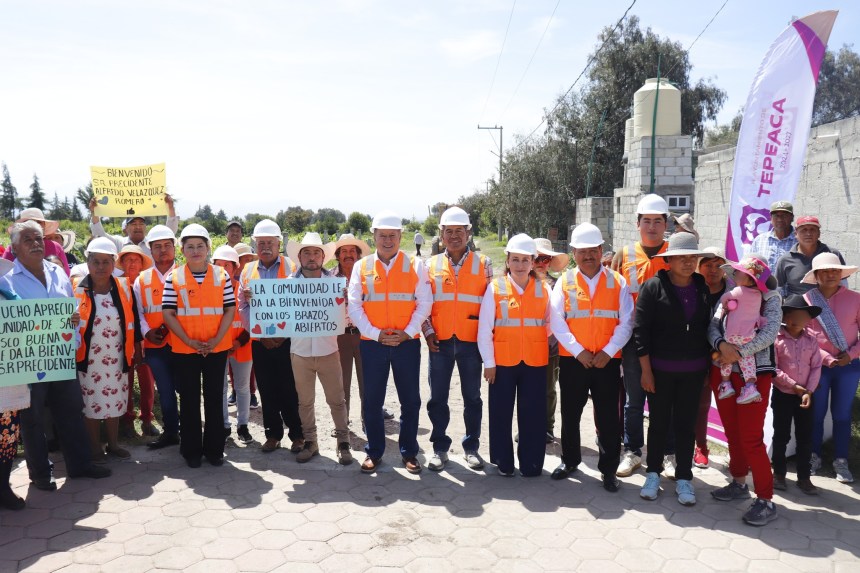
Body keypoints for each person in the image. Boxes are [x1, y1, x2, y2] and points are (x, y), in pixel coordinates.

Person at [0, 221, 111, 490]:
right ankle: (40, 473)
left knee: (71, 410)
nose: (36, 243)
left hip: (61, 356)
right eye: (28, 239)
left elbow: (68, 309)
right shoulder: (5, 280)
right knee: (33, 417)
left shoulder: (58, 272)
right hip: (28, 360)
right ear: (15, 247)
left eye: (38, 238)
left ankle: (80, 465)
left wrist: (72, 323)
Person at [347, 210, 432, 474]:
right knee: (372, 400)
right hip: (373, 344)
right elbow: (354, 304)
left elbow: (425, 302)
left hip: (407, 343)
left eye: (392, 236)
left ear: (400, 237)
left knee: (411, 400)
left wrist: (407, 332)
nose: (387, 240)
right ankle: (374, 451)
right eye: (382, 235)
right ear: (373, 236)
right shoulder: (362, 267)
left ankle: (409, 453)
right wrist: (375, 333)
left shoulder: (415, 265)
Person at [549, 224, 633, 491]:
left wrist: (608, 352)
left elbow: (627, 321)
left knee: (608, 417)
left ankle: (608, 470)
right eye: (582, 251)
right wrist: (579, 351)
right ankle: (570, 460)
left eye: (593, 250)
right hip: (575, 360)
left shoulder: (617, 282)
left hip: (607, 361)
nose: (588, 256)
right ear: (574, 252)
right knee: (570, 414)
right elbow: (557, 321)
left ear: (601, 250)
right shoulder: (564, 281)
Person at [635, 233, 714, 505]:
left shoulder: (702, 286)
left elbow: (706, 327)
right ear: (668, 260)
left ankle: (684, 477)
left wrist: (707, 368)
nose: (687, 262)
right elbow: (640, 333)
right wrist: (645, 371)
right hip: (659, 371)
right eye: (681, 257)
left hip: (694, 370)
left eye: (692, 257)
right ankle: (653, 473)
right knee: (658, 424)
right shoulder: (653, 287)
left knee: (685, 425)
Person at [709, 254, 781, 527]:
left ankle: (765, 498)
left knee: (751, 436)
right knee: (732, 430)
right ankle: (739, 482)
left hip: (754, 375)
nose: (736, 277)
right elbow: (713, 325)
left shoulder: (772, 298)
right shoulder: (730, 295)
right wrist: (720, 345)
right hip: (725, 371)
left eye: (743, 273)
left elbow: (770, 332)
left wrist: (736, 353)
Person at [424, 207, 492, 471]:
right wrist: (428, 331)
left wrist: (485, 342)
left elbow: (489, 307)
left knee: (472, 397)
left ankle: (471, 447)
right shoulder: (429, 265)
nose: (454, 237)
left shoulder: (483, 264)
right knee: (437, 398)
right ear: (441, 234)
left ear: (468, 233)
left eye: (459, 232)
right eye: (449, 232)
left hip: (470, 342)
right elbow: (423, 304)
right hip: (439, 341)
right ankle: (439, 448)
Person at [162, 224, 235, 468]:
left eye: (200, 246)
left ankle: (214, 450)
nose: (195, 251)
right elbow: (169, 313)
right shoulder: (173, 277)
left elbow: (229, 309)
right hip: (185, 349)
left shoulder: (221, 275)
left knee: (215, 397)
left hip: (216, 347)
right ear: (182, 250)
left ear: (208, 248)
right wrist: (189, 341)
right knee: (190, 399)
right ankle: (191, 450)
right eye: (190, 247)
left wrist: (215, 340)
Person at [478, 234, 551, 477]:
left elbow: (551, 324)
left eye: (525, 260)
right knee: (500, 413)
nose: (520, 265)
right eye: (515, 259)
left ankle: (531, 463)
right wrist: (489, 363)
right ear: (507, 261)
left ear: (533, 262)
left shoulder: (544, 289)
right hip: (502, 363)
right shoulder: (495, 288)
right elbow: (484, 329)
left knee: (533, 414)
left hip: (535, 362)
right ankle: (503, 461)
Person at [611, 194, 671, 477]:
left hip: (668, 340)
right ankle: (633, 451)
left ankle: (668, 453)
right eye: (646, 221)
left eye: (657, 221)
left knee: (666, 400)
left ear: (665, 224)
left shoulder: (675, 253)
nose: (651, 226)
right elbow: (612, 295)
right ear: (637, 224)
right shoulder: (624, 255)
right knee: (634, 400)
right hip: (634, 340)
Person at [238, 219, 303, 454]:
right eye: (261, 242)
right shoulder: (247, 271)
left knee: (290, 388)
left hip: (289, 342)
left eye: (270, 242)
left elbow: (301, 305)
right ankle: (273, 434)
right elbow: (242, 308)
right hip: (260, 342)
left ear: (279, 244)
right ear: (255, 245)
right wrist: (260, 334)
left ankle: (297, 435)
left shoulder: (294, 268)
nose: (265, 246)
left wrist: (283, 335)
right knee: (266, 389)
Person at [286, 233, 352, 465]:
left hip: (328, 351)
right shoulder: (287, 286)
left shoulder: (337, 286)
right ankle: (310, 442)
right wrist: (256, 299)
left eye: (316, 252)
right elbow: (273, 314)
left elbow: (346, 319)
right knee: (305, 402)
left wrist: (347, 301)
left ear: (323, 257)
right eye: (307, 252)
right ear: (300, 257)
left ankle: (343, 442)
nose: (312, 257)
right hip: (300, 353)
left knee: (337, 400)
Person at [74, 238, 141, 462]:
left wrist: (138, 349)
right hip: (89, 358)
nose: (100, 267)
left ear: (114, 264)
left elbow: (134, 321)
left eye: (106, 262)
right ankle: (95, 448)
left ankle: (113, 445)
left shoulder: (124, 287)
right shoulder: (76, 289)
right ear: (88, 263)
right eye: (95, 262)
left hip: (116, 356)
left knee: (114, 403)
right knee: (91, 405)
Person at [802, 252, 860, 484]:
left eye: (835, 270)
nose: (830, 275)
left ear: (841, 273)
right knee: (815, 414)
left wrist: (852, 354)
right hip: (818, 366)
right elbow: (806, 334)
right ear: (816, 276)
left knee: (842, 414)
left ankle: (841, 460)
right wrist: (826, 357)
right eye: (824, 271)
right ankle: (814, 456)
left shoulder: (855, 299)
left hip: (849, 366)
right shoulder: (807, 299)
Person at [134, 225, 182, 450]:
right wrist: (146, 332)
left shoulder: (187, 274)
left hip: (184, 345)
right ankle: (171, 432)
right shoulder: (141, 280)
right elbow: (139, 312)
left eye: (167, 246)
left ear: (175, 248)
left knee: (187, 389)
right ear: (150, 250)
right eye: (157, 247)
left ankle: (189, 431)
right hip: (156, 346)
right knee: (165, 391)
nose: (163, 250)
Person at [772, 295, 823, 495]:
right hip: (783, 394)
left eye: (801, 316)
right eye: (791, 315)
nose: (795, 319)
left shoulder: (812, 341)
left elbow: (817, 366)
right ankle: (779, 474)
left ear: (808, 319)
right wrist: (794, 386)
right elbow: (774, 369)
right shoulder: (776, 339)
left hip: (806, 396)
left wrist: (808, 391)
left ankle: (804, 477)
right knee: (781, 435)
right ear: (784, 316)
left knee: (805, 437)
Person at [715, 257, 772, 404]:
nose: (735, 274)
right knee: (747, 359)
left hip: (732, 334)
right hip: (749, 335)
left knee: (726, 357)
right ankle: (750, 386)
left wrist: (726, 304)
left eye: (739, 272)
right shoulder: (758, 294)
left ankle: (725, 383)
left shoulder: (738, 290)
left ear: (750, 279)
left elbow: (724, 298)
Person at [212, 245, 253, 445]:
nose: (222, 269)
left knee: (243, 387)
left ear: (235, 267)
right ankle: (224, 426)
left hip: (242, 345)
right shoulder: (210, 292)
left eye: (226, 265)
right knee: (220, 388)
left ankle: (243, 425)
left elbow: (253, 319)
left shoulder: (244, 291)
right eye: (218, 265)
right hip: (219, 347)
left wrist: (238, 342)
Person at [116, 244, 158, 438]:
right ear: (122, 263)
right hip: (122, 342)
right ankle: (127, 420)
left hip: (145, 339)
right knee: (125, 381)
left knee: (147, 382)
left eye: (136, 259)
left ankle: (147, 419)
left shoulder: (145, 283)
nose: (132, 263)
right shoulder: (115, 284)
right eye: (128, 259)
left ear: (142, 263)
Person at [693, 247, 728, 469]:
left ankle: (736, 450)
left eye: (718, 266)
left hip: (729, 358)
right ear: (699, 267)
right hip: (697, 356)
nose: (713, 270)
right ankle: (701, 446)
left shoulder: (734, 292)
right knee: (701, 405)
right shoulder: (693, 288)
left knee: (730, 406)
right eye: (708, 265)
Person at [333, 233, 374, 431]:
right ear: (338, 255)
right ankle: (342, 422)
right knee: (341, 383)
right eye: (344, 251)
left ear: (358, 255)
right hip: (339, 336)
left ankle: (368, 420)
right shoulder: (328, 278)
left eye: (352, 251)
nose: (348, 255)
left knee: (367, 380)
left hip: (364, 334)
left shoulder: (368, 275)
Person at [533, 237, 568, 444]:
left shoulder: (558, 286)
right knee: (528, 390)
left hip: (551, 347)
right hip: (526, 346)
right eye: (537, 257)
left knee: (547, 390)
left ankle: (547, 427)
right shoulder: (520, 283)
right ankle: (529, 426)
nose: (540, 262)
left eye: (545, 259)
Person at [0, 258, 28, 510]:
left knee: (7, 439)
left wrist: (64, 321)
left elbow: (35, 329)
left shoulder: (10, 299)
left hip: (7, 386)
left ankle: (3, 487)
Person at [775, 215, 846, 297]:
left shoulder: (832, 254)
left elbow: (843, 282)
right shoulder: (785, 260)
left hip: (829, 304)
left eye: (812, 229)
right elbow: (777, 288)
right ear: (796, 234)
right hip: (797, 307)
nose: (808, 233)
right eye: (804, 230)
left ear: (819, 234)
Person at [88, 194, 179, 257]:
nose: (138, 227)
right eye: (134, 224)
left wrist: (170, 208)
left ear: (145, 227)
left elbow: (169, 232)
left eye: (141, 223)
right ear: (126, 228)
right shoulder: (119, 243)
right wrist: (94, 212)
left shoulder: (152, 242)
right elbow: (99, 234)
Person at [3, 208, 70, 275]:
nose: (35, 225)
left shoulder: (55, 246)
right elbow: (3, 274)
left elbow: (66, 274)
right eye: (29, 222)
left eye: (39, 222)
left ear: (44, 225)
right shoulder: (13, 248)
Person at [744, 200, 797, 270]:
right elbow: (750, 266)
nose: (779, 219)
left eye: (784, 215)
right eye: (776, 215)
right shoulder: (759, 240)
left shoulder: (799, 240)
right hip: (765, 281)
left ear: (792, 218)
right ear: (771, 218)